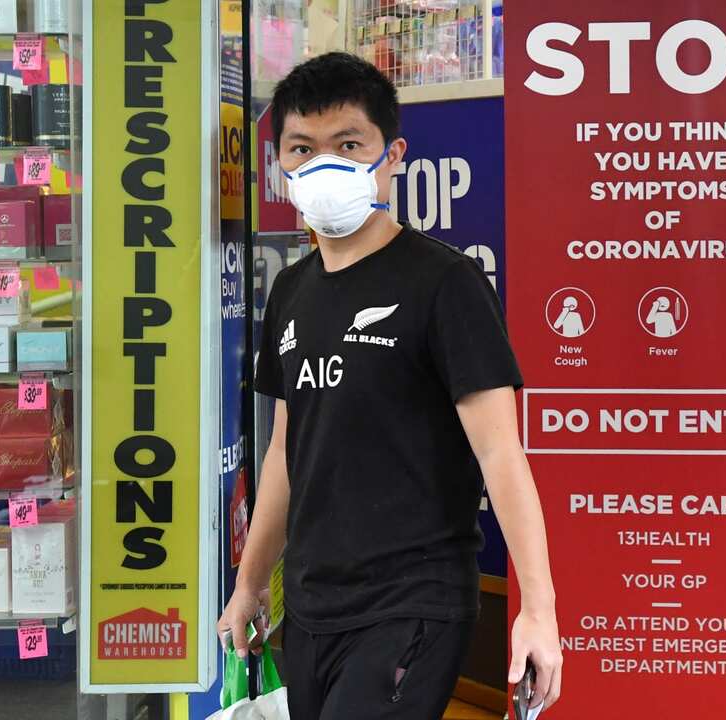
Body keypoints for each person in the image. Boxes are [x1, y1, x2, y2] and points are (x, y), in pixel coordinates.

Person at [217, 53, 562, 720]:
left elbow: (501, 455)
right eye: (302, 148)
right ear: (281, 163)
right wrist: (251, 583)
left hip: (413, 600)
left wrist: (538, 610)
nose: (324, 164)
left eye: (348, 144)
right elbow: (286, 453)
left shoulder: (445, 284)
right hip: (313, 604)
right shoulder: (290, 291)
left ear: (392, 154)